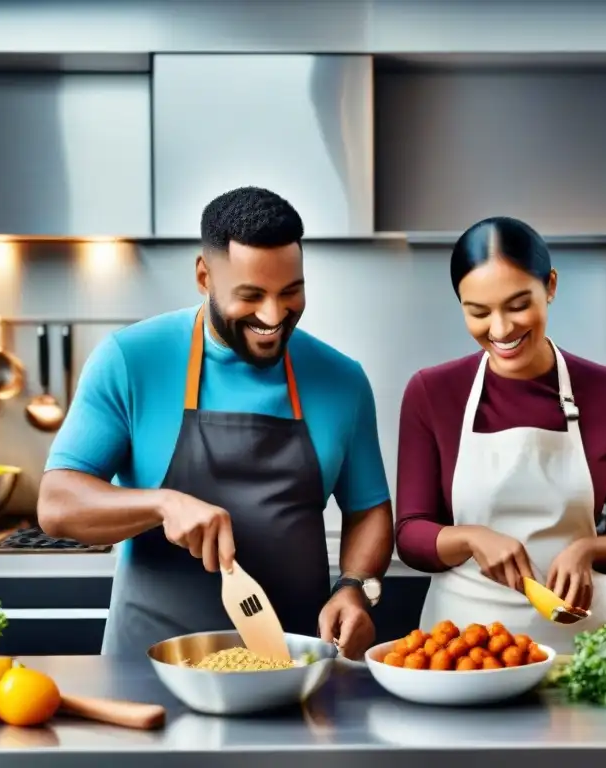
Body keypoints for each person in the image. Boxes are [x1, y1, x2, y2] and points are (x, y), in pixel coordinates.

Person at [37, 186, 393, 660]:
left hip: (291, 665)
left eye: (291, 292)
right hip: (150, 667)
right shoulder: (131, 359)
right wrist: (161, 505)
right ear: (205, 276)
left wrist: (355, 586)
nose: (273, 316)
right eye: (251, 295)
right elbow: (57, 504)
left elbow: (368, 509)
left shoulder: (342, 379)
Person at [394, 216, 606, 653]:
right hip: (462, 650)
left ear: (550, 286)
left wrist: (589, 549)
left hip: (584, 647)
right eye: (478, 312)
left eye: (518, 305)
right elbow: (410, 534)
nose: (500, 330)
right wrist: (472, 538)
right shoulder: (432, 392)